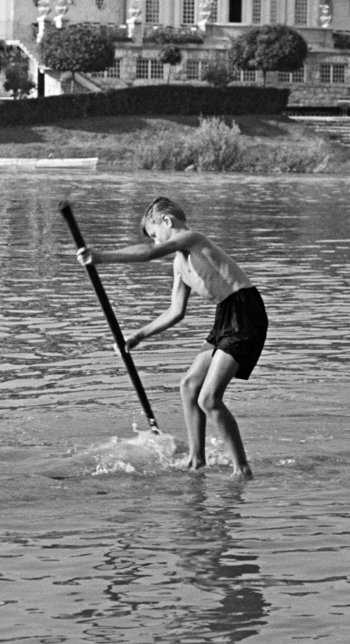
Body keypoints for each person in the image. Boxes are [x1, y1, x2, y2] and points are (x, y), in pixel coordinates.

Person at [76, 196, 267, 479]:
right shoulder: (179, 265)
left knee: (209, 398)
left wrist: (101, 256)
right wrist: (137, 336)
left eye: (155, 235)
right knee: (189, 386)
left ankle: (242, 469)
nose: (156, 243)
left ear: (167, 222)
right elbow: (176, 311)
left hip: (245, 311)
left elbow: (146, 254)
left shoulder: (192, 238)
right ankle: (196, 460)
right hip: (225, 315)